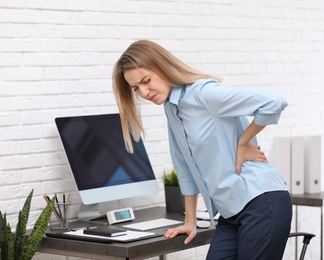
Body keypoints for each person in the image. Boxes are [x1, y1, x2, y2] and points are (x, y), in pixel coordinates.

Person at [112, 40, 292, 260]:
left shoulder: (204, 93)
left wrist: (243, 143)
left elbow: (273, 101)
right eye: (136, 88)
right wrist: (190, 221)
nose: (143, 92)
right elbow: (184, 166)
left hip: (261, 201)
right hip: (230, 212)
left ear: (163, 67)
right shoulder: (171, 107)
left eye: (146, 81)